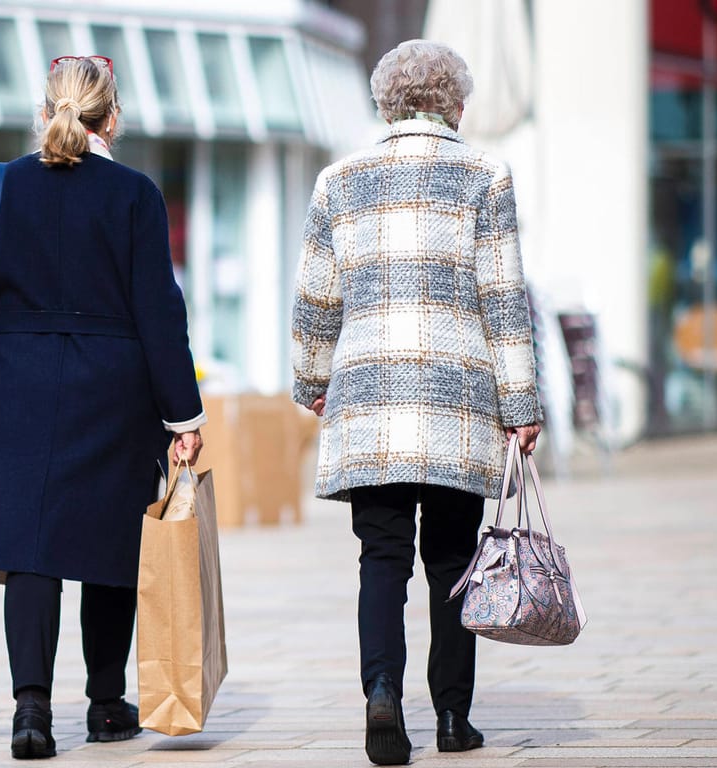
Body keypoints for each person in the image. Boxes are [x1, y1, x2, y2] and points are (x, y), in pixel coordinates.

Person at [0, 55, 205, 760]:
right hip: (114, 387)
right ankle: (106, 707)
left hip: (18, 384)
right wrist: (184, 417)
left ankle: (31, 713)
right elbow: (160, 313)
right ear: (115, 118)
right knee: (109, 545)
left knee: (30, 551)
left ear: (46, 112)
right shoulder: (135, 195)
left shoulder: (0, 184)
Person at [291, 40, 543, 766]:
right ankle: (454, 719)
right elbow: (505, 300)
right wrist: (521, 402)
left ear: (385, 103)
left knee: (381, 556)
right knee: (453, 561)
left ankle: (380, 693)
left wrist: (311, 381)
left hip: (370, 399)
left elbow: (315, 301)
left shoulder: (340, 181)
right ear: (456, 104)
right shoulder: (484, 177)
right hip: (459, 403)